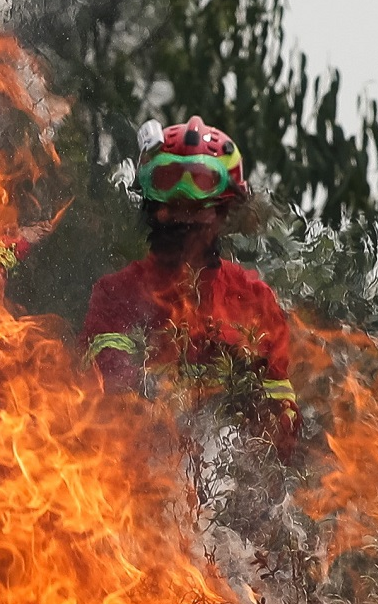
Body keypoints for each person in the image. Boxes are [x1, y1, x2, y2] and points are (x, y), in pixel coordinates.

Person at [79, 116, 300, 457]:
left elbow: (281, 425)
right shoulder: (115, 295)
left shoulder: (256, 302)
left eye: (196, 207)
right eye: (171, 204)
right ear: (151, 205)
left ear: (223, 212)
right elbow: (106, 395)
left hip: (227, 481)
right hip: (134, 472)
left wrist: (262, 422)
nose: (182, 216)